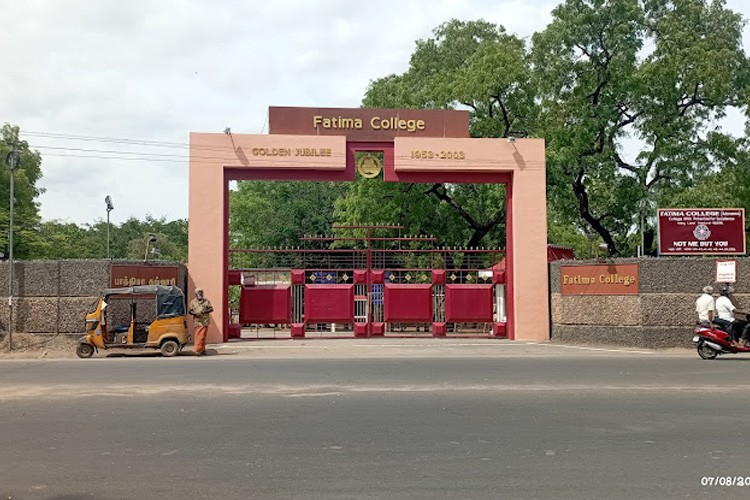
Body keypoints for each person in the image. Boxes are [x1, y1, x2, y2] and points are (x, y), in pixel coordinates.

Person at [189, 288, 214, 356]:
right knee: (198, 336)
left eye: (201, 293)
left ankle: (199, 350)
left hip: (204, 321)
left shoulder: (206, 301)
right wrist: (195, 313)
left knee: (202, 337)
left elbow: (211, 309)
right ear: (196, 294)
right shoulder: (193, 302)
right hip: (197, 321)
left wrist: (205, 311)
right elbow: (190, 311)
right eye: (198, 293)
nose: (200, 294)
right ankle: (200, 350)